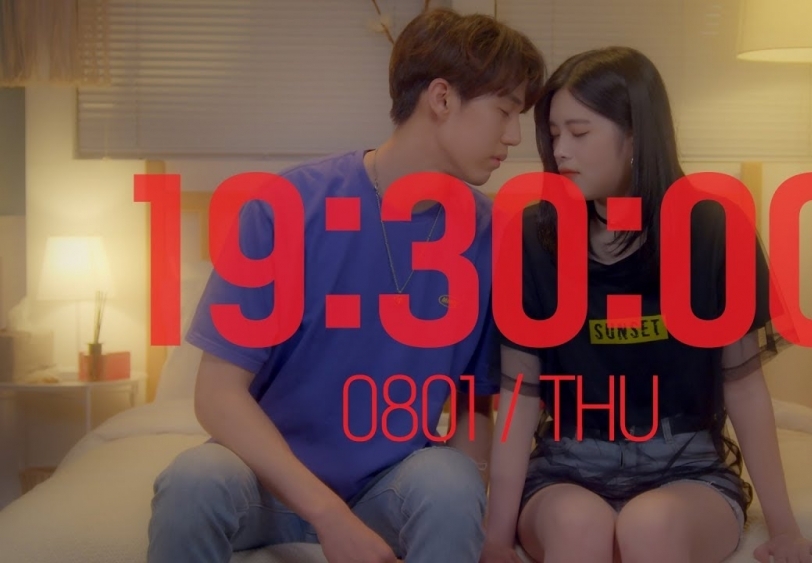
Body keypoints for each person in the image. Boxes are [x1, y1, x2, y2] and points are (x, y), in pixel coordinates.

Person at [146, 8, 545, 563]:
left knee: (451, 482)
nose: (515, 136)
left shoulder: (491, 233)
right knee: (193, 479)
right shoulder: (288, 207)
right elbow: (217, 395)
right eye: (504, 111)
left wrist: (476, 524)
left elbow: (471, 407)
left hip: (390, 486)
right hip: (268, 481)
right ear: (441, 98)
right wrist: (329, 515)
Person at [480, 47, 812, 563]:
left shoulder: (714, 229)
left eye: (579, 132)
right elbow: (518, 396)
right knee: (577, 528)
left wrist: (785, 530)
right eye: (553, 134)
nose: (561, 151)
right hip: (567, 466)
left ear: (637, 135)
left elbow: (745, 387)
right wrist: (494, 540)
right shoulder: (534, 235)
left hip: (688, 467)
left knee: (650, 526)